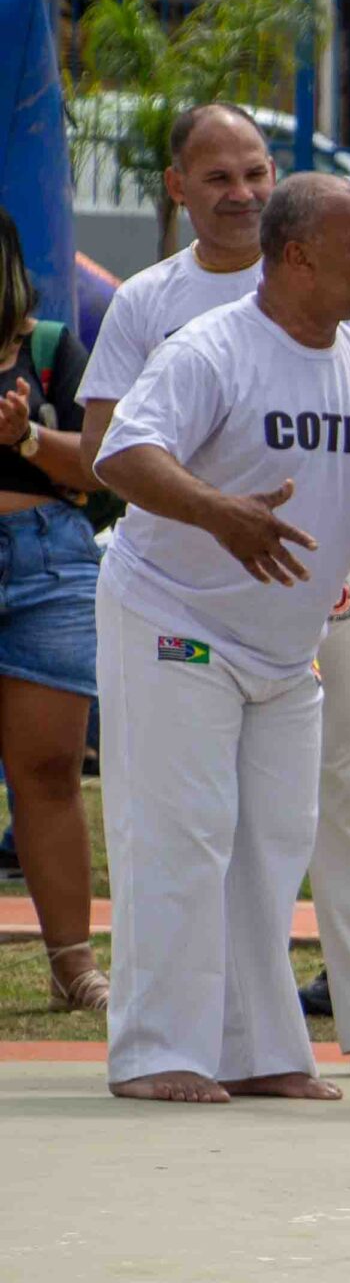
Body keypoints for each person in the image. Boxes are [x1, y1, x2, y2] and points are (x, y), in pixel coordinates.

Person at [77, 102, 350, 1080]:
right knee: (181, 837)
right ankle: (159, 1051)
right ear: (298, 257)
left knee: (273, 845)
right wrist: (219, 514)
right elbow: (121, 453)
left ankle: (257, 1050)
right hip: (173, 618)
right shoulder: (208, 348)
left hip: (286, 648)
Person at [0, 210, 107, 1014]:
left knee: (48, 773)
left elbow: (101, 468)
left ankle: (75, 966)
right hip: (45, 561)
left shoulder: (50, 349)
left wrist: (28, 438)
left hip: (47, 566)